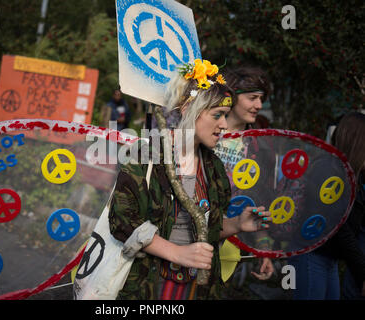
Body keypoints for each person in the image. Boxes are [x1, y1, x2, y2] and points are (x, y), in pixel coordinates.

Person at [108, 59, 272, 300]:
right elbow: (122, 222)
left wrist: (237, 224)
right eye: (217, 115)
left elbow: (209, 227)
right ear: (189, 109)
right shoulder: (147, 158)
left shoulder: (213, 167)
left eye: (226, 116)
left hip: (198, 289)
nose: (224, 125)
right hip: (150, 287)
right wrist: (177, 252)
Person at [289, 112, 365, 300]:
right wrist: (362, 274)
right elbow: (340, 227)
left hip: (328, 258)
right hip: (311, 255)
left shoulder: (353, 174)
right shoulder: (328, 169)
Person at [214, 66, 275, 281]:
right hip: (188, 241)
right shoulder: (204, 134)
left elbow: (256, 200)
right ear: (231, 97)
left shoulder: (257, 148)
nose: (259, 105)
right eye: (252, 98)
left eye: (261, 99)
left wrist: (263, 248)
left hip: (229, 249)